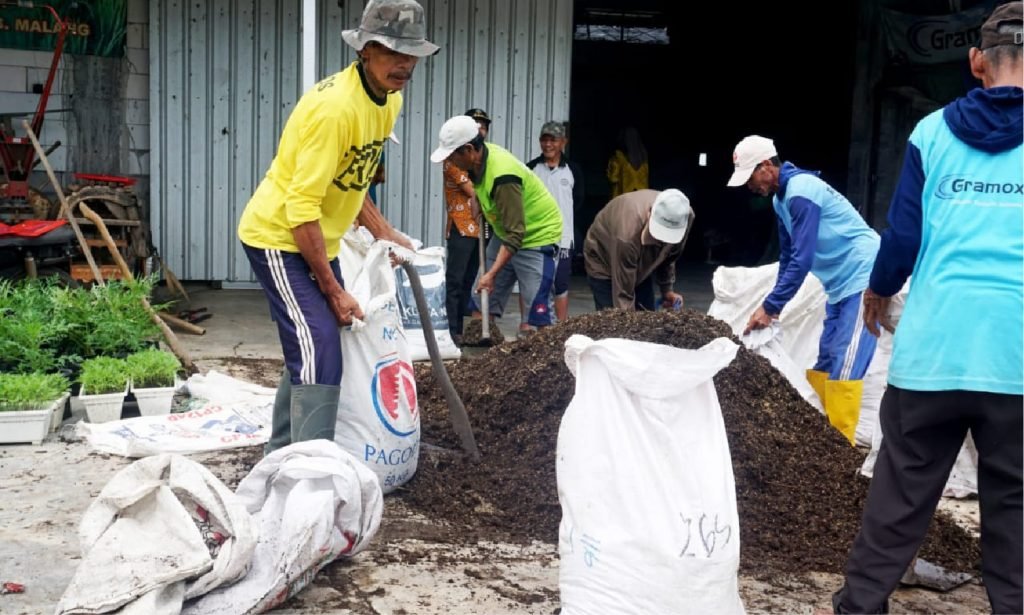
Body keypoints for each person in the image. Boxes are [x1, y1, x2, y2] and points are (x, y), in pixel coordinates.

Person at [829, 4, 1023, 613]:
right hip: (1013, 358)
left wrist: (877, 291)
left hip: (933, 352)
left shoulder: (931, 133)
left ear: (975, 62)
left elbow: (903, 238)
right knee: (1014, 502)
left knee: (899, 497)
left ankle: (860, 606)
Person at [236, 0, 437, 454]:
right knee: (321, 345)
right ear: (365, 49)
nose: (403, 65)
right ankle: (306, 477)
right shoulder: (335, 111)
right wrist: (333, 290)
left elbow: (354, 177)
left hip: (314, 237)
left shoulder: (389, 100)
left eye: (411, 55)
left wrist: (386, 232)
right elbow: (301, 207)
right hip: (278, 235)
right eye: (391, 52)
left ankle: (283, 455)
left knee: (313, 343)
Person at [728, 135, 880, 445]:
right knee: (826, 357)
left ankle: (840, 448)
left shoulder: (802, 191)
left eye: (751, 177)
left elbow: (803, 257)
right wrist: (773, 307)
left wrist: (770, 307)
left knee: (846, 362)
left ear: (767, 166)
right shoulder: (780, 199)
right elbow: (788, 257)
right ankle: (823, 433)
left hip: (863, 275)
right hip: (838, 283)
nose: (749, 186)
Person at [430, 115, 563, 333]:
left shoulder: (503, 176)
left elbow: (515, 234)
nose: (450, 161)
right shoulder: (477, 160)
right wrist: (478, 199)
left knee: (537, 313)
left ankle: (546, 360)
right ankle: (481, 353)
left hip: (536, 236)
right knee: (482, 299)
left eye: (453, 155)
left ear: (470, 150)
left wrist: (492, 274)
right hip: (506, 232)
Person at [583, 189, 690, 311]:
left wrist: (667, 290)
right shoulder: (626, 234)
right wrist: (628, 324)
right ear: (650, 214)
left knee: (645, 313)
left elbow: (668, 254)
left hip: (640, 256)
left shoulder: (684, 214)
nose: (663, 241)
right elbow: (623, 294)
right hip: (602, 258)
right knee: (612, 319)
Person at [526, 120, 584, 324]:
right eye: (544, 139)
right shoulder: (531, 168)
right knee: (534, 282)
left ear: (563, 142)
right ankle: (527, 324)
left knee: (560, 284)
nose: (548, 144)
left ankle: (561, 327)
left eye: (553, 140)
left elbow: (577, 201)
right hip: (536, 238)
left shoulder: (572, 170)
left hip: (563, 239)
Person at [442, 138, 480, 346]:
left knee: (467, 280)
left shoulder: (472, 161)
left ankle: (459, 330)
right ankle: (451, 329)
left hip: (476, 229)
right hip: (461, 228)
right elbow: (472, 191)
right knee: (455, 281)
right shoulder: (451, 161)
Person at [606, 126, 648, 198]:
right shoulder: (643, 156)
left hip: (624, 198)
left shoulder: (619, 157)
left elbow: (613, 178)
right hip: (641, 198)